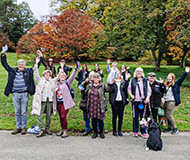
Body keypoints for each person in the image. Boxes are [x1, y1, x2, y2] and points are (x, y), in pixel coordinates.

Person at [1, 50, 42, 135]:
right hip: (15, 94)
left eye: (22, 64)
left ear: (24, 65)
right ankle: (18, 127)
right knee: (17, 111)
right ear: (17, 65)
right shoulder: (13, 71)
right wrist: (3, 55)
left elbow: (36, 67)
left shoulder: (28, 71)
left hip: (24, 94)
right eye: (19, 64)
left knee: (23, 112)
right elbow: (5, 65)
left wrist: (40, 58)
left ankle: (23, 128)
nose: (21, 65)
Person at [31, 56, 59, 138]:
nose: (47, 75)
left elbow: (58, 77)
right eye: (46, 74)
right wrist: (36, 63)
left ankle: (47, 128)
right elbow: (35, 73)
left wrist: (61, 67)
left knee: (48, 116)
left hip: (50, 100)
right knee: (38, 114)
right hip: (42, 100)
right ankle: (42, 129)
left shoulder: (52, 81)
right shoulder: (40, 80)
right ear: (44, 75)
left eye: (49, 74)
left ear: (50, 75)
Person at [54, 62, 80, 138]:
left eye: (63, 75)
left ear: (65, 77)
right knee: (60, 116)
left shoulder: (68, 82)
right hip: (58, 102)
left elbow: (72, 76)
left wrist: (75, 69)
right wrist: (61, 67)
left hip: (65, 103)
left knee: (63, 116)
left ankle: (65, 130)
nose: (62, 76)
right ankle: (62, 129)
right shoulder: (56, 83)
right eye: (60, 75)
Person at [85, 73, 113, 139]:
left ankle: (101, 132)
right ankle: (95, 133)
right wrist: (84, 84)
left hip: (99, 105)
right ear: (93, 79)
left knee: (100, 120)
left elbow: (109, 90)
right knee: (93, 120)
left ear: (99, 78)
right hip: (92, 105)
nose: (96, 79)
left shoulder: (102, 85)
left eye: (97, 78)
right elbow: (85, 93)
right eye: (95, 78)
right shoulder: (90, 86)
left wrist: (111, 84)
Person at [163, 67, 189, 134]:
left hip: (172, 101)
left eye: (170, 77)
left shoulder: (176, 84)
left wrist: (186, 72)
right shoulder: (165, 84)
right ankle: (169, 128)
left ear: (172, 78)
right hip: (165, 101)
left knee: (169, 115)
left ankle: (175, 128)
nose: (168, 78)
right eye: (168, 77)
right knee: (166, 115)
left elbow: (181, 79)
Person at [128, 67, 151, 139]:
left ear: (142, 73)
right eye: (137, 71)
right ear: (135, 72)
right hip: (135, 101)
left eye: (140, 71)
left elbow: (149, 90)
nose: (139, 73)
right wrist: (131, 95)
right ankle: (135, 131)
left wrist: (147, 98)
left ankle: (143, 132)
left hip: (143, 101)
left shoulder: (145, 80)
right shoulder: (132, 80)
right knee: (135, 117)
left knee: (143, 117)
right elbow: (129, 89)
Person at [109, 71, 130, 136]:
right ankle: (114, 130)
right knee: (114, 116)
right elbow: (110, 91)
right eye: (117, 74)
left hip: (121, 101)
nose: (118, 75)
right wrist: (110, 84)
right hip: (115, 101)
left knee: (120, 116)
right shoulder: (113, 82)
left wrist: (126, 79)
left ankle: (119, 130)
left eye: (119, 74)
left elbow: (126, 89)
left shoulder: (123, 82)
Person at [79, 71, 95, 136]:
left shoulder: (97, 82)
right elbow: (80, 86)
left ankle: (96, 129)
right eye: (90, 75)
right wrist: (85, 82)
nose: (91, 77)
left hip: (94, 103)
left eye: (92, 75)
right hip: (86, 102)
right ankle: (87, 129)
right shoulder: (86, 82)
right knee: (86, 117)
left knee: (94, 117)